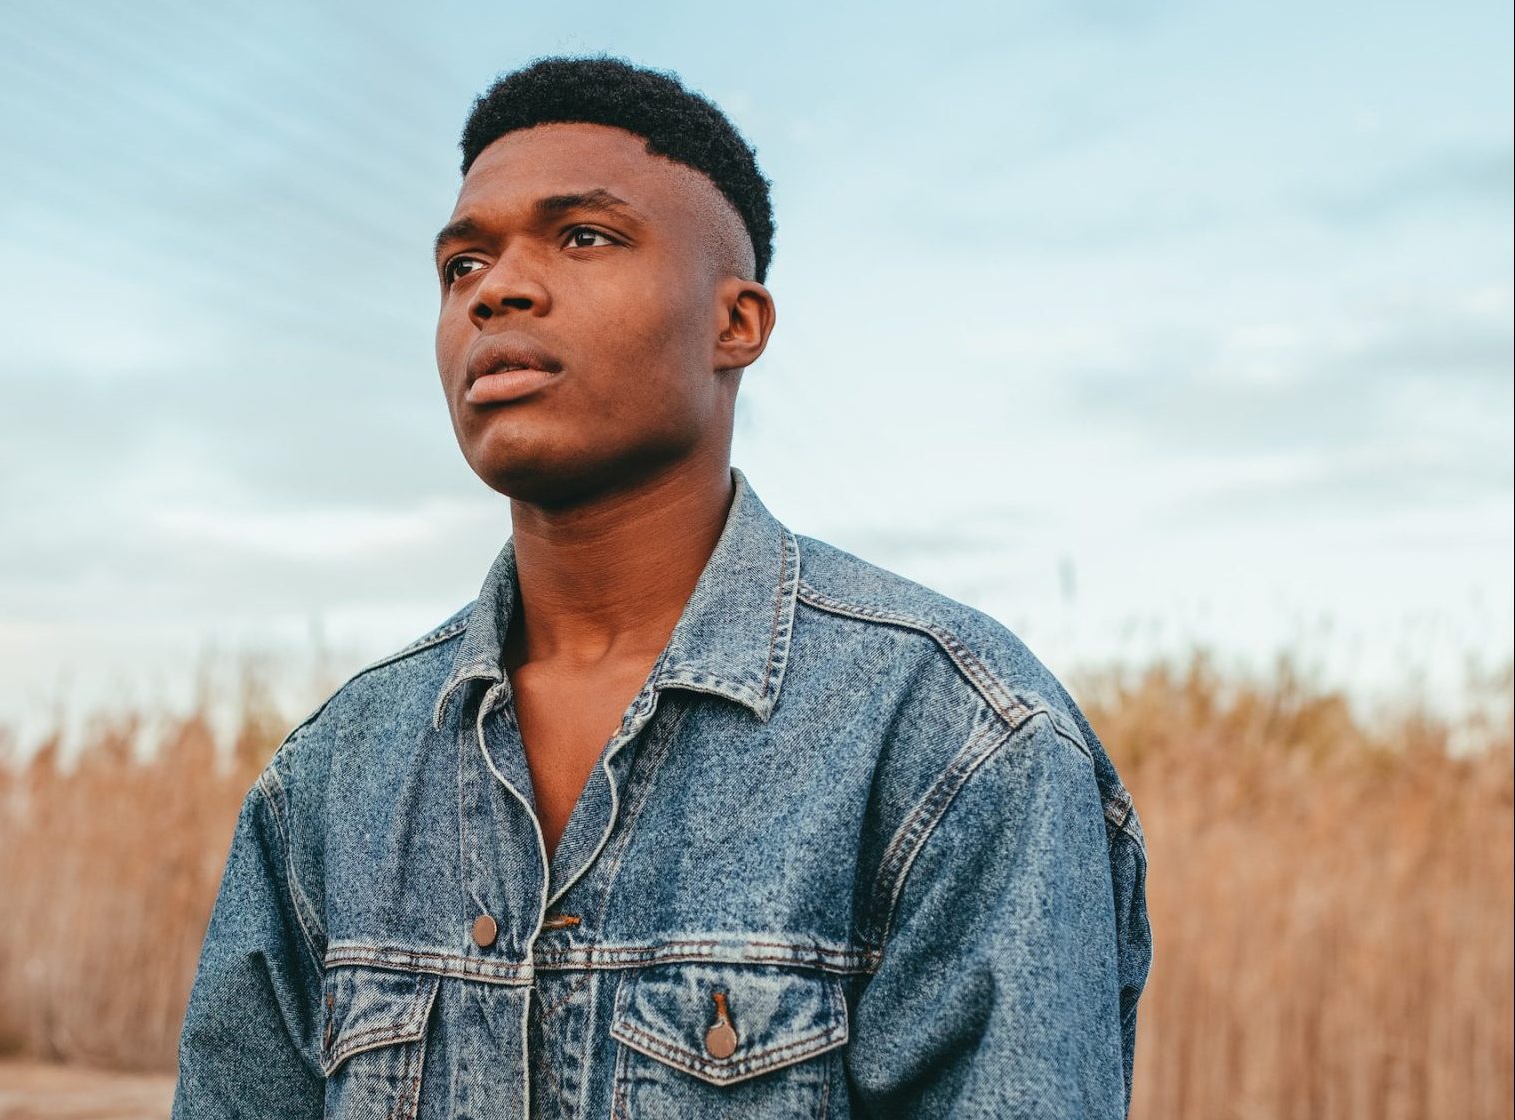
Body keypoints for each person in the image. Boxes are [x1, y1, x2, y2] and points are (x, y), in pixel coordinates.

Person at [173, 55, 1151, 1119]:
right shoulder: (335, 773)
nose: (496, 288)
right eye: (462, 265)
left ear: (736, 323)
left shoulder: (953, 740)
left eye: (583, 236)